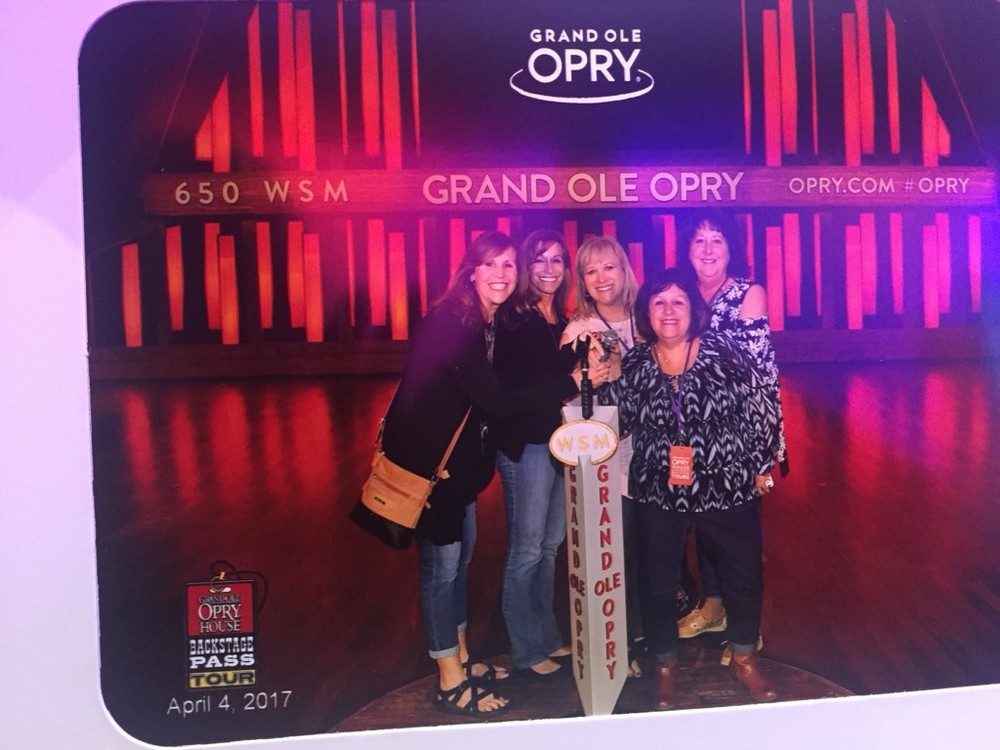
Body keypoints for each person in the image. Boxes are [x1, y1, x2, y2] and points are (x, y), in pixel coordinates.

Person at [380, 231, 603, 716]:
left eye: (507, 265)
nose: (501, 274)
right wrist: (571, 378)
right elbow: (497, 401)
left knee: (458, 565)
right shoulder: (451, 324)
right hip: (430, 469)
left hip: (456, 470)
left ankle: (461, 659)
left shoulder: (480, 322)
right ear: (471, 272)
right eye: (491, 265)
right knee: (441, 572)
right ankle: (450, 681)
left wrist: (572, 358)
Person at [598, 268, 780, 709]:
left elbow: (760, 403)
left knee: (742, 572)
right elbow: (619, 422)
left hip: (726, 480)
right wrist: (608, 379)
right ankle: (664, 664)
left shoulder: (723, 350)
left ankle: (744, 657)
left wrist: (762, 464)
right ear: (646, 312)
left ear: (693, 309)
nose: (668, 311)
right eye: (659, 302)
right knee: (657, 577)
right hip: (659, 486)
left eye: (678, 301)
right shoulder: (637, 363)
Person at [674, 211, 787, 646]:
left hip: (736, 434)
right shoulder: (681, 293)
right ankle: (714, 606)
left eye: (717, 240)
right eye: (699, 240)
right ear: (687, 249)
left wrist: (764, 452)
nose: (707, 250)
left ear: (731, 248)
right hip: (687, 433)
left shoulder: (747, 293)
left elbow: (758, 373)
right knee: (700, 523)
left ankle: (746, 631)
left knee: (737, 535)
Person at [492, 229, 579, 678]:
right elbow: (516, 394)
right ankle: (526, 649)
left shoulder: (561, 320)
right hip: (526, 443)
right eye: (540, 259)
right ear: (527, 266)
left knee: (549, 546)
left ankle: (546, 636)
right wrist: (572, 380)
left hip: (559, 442)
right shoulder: (513, 319)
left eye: (557, 260)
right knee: (526, 549)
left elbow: (562, 377)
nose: (549, 269)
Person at [559, 235, 648, 676]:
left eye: (609, 267)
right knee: (617, 549)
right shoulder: (578, 330)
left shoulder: (647, 315)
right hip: (611, 456)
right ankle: (621, 641)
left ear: (624, 269)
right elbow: (565, 397)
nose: (601, 278)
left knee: (653, 546)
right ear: (582, 280)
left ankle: (650, 631)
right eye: (590, 271)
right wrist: (588, 375)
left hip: (654, 449)